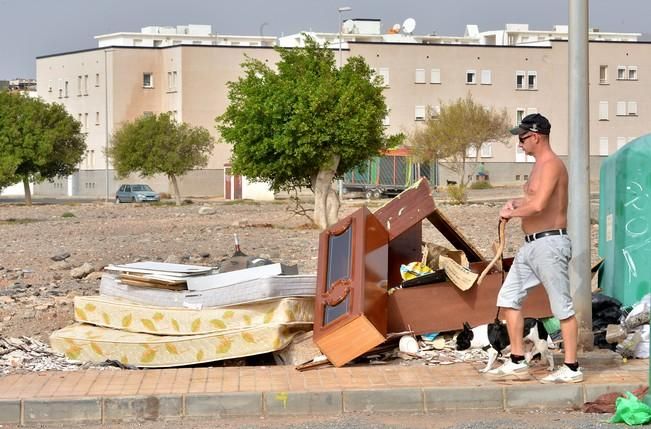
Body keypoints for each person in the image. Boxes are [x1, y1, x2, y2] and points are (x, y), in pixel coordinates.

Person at [486, 113, 582, 383]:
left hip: (550, 243)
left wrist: (511, 214)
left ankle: (572, 367)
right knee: (508, 298)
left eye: (522, 138)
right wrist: (514, 203)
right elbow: (531, 200)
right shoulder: (538, 165)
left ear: (536, 136)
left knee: (561, 306)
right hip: (530, 245)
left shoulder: (552, 165)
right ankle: (517, 360)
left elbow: (539, 205)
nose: (520, 143)